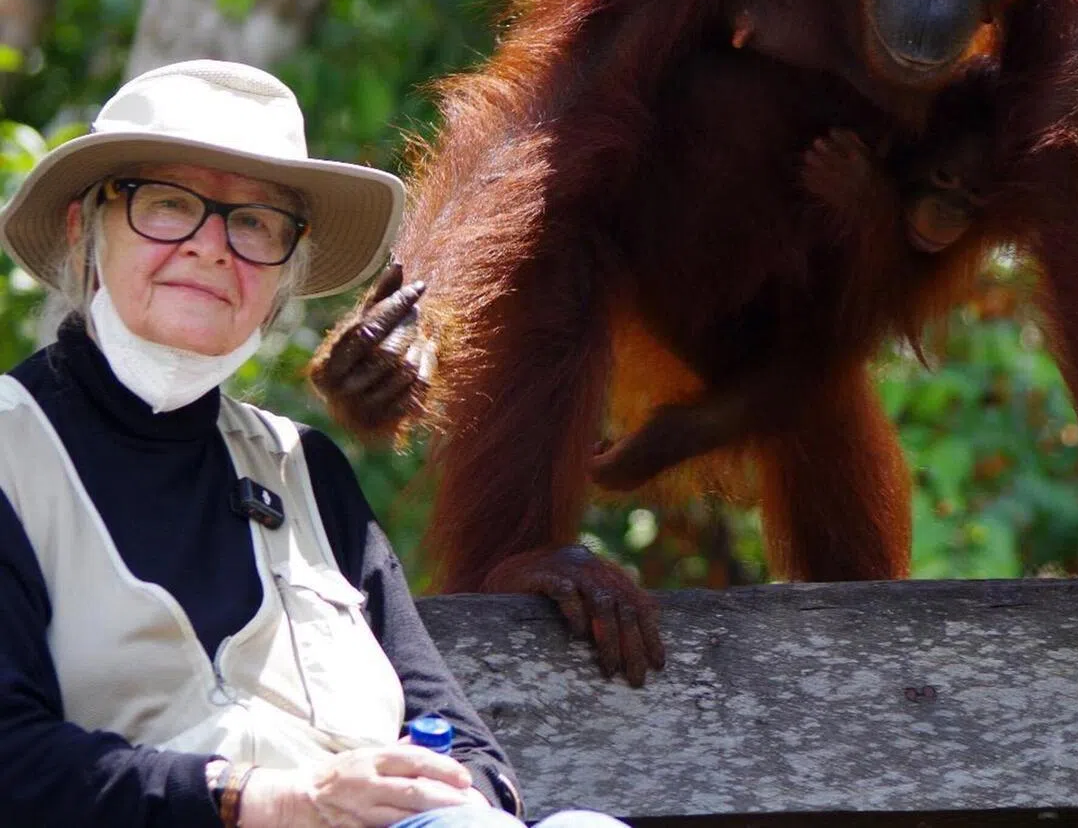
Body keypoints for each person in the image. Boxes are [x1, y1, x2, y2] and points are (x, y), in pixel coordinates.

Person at [0, 60, 623, 828]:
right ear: (83, 226)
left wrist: (455, 797)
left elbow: (464, 743)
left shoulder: (306, 473)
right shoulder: (11, 452)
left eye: (255, 223)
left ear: (285, 276)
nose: (212, 246)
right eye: (167, 205)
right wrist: (272, 799)